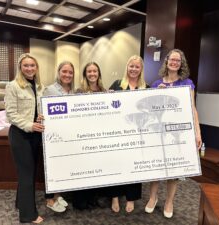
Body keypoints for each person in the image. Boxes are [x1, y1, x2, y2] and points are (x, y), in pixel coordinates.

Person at [145, 49, 202, 218]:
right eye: (172, 59)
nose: (174, 62)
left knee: (174, 168)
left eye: (178, 60)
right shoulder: (156, 84)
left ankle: (169, 201)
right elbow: (150, 110)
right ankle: (153, 197)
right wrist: (158, 94)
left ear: (181, 64)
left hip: (178, 132)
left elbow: (192, 109)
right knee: (156, 166)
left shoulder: (187, 84)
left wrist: (197, 133)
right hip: (159, 132)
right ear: (167, 61)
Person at [5, 53, 44, 224]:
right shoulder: (12, 86)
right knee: (27, 175)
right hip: (20, 135)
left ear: (36, 68)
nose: (29, 68)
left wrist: (41, 117)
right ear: (20, 68)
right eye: (26, 66)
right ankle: (28, 215)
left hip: (36, 135)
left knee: (28, 173)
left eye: (32, 65)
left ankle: (21, 203)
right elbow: (11, 114)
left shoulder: (39, 85)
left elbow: (38, 109)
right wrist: (29, 125)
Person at [108, 55, 150, 213]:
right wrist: (108, 97)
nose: (133, 69)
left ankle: (131, 198)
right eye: (131, 66)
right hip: (119, 133)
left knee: (134, 166)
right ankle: (115, 196)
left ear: (141, 69)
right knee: (117, 165)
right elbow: (109, 108)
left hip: (138, 134)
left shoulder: (146, 87)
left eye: (136, 67)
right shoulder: (117, 84)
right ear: (127, 67)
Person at [72, 62, 107, 210]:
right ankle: (83, 198)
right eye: (89, 71)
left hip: (100, 136)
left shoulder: (105, 91)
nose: (92, 74)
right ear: (85, 74)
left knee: (98, 168)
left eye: (95, 71)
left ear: (99, 73)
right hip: (84, 137)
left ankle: (94, 197)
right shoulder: (79, 92)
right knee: (85, 168)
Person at [43, 61, 75, 212]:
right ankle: (50, 200)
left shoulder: (72, 91)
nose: (67, 75)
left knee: (62, 166)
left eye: (70, 72)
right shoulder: (50, 90)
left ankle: (57, 195)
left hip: (68, 135)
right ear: (58, 72)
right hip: (53, 137)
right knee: (52, 167)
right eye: (64, 71)